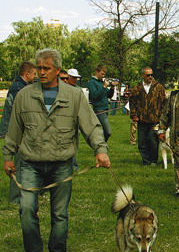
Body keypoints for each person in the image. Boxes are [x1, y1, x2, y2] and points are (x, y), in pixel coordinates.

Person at [2, 48, 110, 252]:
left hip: (61, 165)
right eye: (39, 68)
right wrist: (8, 157)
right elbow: (14, 129)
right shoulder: (24, 95)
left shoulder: (74, 95)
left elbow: (91, 125)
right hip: (30, 164)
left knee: (60, 215)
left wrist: (100, 149)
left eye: (46, 68)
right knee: (26, 210)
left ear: (58, 69)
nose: (42, 72)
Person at [0, 61, 36, 204]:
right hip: (16, 133)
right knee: (18, 164)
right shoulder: (19, 89)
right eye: (34, 73)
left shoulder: (19, 86)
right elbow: (19, 114)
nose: (35, 76)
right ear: (27, 74)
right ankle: (15, 198)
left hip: (17, 131)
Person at [129, 67, 167, 166]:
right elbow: (132, 102)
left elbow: (164, 103)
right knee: (142, 142)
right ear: (142, 76)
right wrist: (133, 115)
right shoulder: (137, 88)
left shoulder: (159, 87)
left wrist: (163, 118)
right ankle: (146, 161)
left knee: (152, 139)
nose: (150, 77)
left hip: (155, 119)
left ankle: (153, 160)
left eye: (151, 75)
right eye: (148, 75)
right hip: (142, 119)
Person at [88, 65, 117, 142]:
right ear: (97, 72)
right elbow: (94, 95)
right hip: (99, 109)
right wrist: (104, 87)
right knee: (108, 132)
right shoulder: (92, 82)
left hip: (105, 109)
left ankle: (100, 148)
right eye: (102, 74)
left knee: (102, 131)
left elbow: (109, 95)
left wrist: (112, 88)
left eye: (104, 74)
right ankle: (101, 146)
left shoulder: (101, 83)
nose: (103, 76)